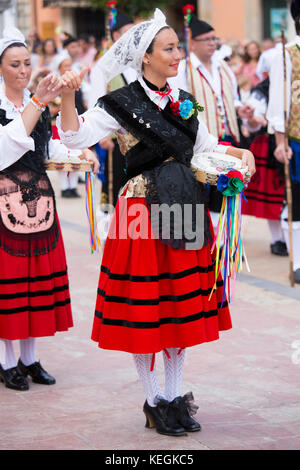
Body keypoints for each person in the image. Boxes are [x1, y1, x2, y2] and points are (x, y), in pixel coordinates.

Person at [57, 9, 255, 436]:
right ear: (144, 57)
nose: (177, 55)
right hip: (142, 214)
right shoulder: (121, 103)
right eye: (169, 49)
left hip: (182, 206)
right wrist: (68, 97)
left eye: (177, 47)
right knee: (148, 312)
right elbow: (73, 137)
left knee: (179, 308)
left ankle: (174, 395)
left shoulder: (183, 100)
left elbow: (203, 148)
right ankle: (152, 401)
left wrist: (238, 155)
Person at [0, 27, 99, 391]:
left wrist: (80, 154)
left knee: (33, 281)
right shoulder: (12, 106)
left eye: (27, 63)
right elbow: (4, 150)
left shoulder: (34, 103)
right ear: (0, 68)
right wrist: (38, 103)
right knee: (8, 283)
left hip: (39, 201)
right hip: (2, 205)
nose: (23, 70)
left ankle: (29, 358)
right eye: (15, 64)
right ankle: (6, 360)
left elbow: (47, 150)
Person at [169, 15, 248, 232]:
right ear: (192, 42)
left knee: (230, 190)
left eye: (215, 39)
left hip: (229, 137)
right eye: (207, 39)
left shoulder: (223, 67)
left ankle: (226, 241)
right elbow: (177, 106)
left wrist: (242, 109)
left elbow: (232, 98)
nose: (213, 43)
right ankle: (211, 241)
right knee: (207, 190)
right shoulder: (183, 70)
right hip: (203, 141)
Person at [88, 9, 136, 214]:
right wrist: (103, 135)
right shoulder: (105, 65)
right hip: (116, 139)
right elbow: (97, 102)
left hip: (142, 138)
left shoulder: (140, 61)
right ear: (116, 35)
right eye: (129, 31)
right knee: (116, 185)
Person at [267, 0, 300, 283]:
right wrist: (280, 140)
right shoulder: (286, 54)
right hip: (296, 137)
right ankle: (299, 260)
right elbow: (278, 97)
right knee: (298, 200)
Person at [241, 78, 287, 256]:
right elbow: (251, 124)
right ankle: (277, 239)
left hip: (291, 143)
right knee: (273, 194)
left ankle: (287, 240)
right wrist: (256, 120)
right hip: (268, 145)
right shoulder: (263, 89)